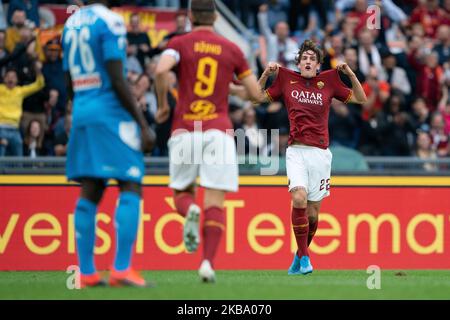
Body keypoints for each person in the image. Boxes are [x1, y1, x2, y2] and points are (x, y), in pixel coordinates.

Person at [154, 0, 261, 282]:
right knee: (216, 200)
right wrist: (235, 90)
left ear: (190, 16)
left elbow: (160, 71)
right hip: (219, 132)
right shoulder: (232, 49)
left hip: (185, 130)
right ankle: (207, 264)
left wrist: (162, 104)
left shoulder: (179, 43)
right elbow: (255, 94)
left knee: (182, 192)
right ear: (215, 16)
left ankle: (190, 209)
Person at [251, 40, 367, 275]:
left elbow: (361, 99)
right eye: (304, 58)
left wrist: (351, 75)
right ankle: (305, 258)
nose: (307, 61)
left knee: (312, 216)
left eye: (312, 59)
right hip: (296, 151)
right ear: (298, 63)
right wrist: (265, 74)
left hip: (321, 155)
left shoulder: (329, 81)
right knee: (299, 198)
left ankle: (299, 256)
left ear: (317, 65)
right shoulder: (286, 79)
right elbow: (256, 99)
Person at [62, 0, 154, 288]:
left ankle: (87, 273)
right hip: (110, 114)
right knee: (130, 183)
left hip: (82, 110)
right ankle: (121, 269)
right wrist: (141, 123)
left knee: (91, 188)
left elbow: (67, 78)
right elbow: (116, 78)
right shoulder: (110, 20)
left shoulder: (71, 23)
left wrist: (78, 108)